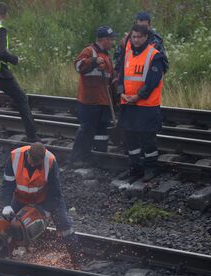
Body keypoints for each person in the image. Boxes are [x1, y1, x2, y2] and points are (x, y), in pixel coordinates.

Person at [1, 143, 80, 263]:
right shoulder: (14, 157)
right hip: (21, 198)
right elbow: (7, 184)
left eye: (36, 163)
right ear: (28, 154)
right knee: (10, 225)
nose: (33, 165)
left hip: (45, 198)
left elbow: (55, 192)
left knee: (64, 226)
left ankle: (76, 260)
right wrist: (7, 205)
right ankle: (6, 257)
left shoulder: (50, 161)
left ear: (42, 160)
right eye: (32, 161)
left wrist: (46, 211)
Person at [0, 2, 39, 142]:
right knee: (21, 98)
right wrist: (15, 59)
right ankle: (32, 136)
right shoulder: (0, 29)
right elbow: (2, 52)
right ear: (5, 15)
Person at [117, 24, 165, 182]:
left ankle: (151, 168)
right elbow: (121, 76)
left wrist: (138, 96)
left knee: (147, 139)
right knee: (130, 138)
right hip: (128, 104)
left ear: (146, 37)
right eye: (133, 37)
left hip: (146, 106)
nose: (136, 40)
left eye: (139, 37)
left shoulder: (155, 55)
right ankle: (134, 169)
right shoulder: (128, 54)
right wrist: (121, 93)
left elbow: (152, 81)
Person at [70, 26, 116, 167]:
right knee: (86, 129)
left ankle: (98, 156)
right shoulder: (89, 51)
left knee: (102, 130)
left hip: (103, 100)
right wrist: (94, 62)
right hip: (89, 101)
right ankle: (77, 158)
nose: (113, 42)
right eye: (111, 39)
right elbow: (78, 66)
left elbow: (110, 79)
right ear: (104, 40)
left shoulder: (107, 55)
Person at [114, 11, 168, 76]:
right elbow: (118, 60)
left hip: (148, 80)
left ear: (149, 26)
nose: (142, 30)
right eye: (140, 26)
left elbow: (163, 65)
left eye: (144, 27)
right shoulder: (126, 40)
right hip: (128, 80)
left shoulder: (156, 41)